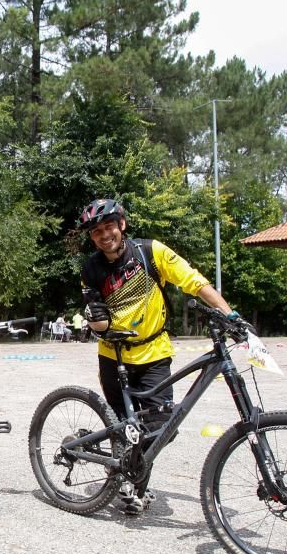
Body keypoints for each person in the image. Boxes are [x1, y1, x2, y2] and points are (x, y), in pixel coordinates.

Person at [79, 198, 242, 516]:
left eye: (109, 226)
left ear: (122, 224)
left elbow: (193, 280)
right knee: (122, 427)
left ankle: (130, 473)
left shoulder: (150, 252)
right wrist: (95, 319)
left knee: (161, 426)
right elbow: (97, 319)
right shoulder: (91, 269)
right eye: (96, 231)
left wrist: (230, 314)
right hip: (113, 356)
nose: (104, 234)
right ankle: (131, 485)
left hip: (154, 352)